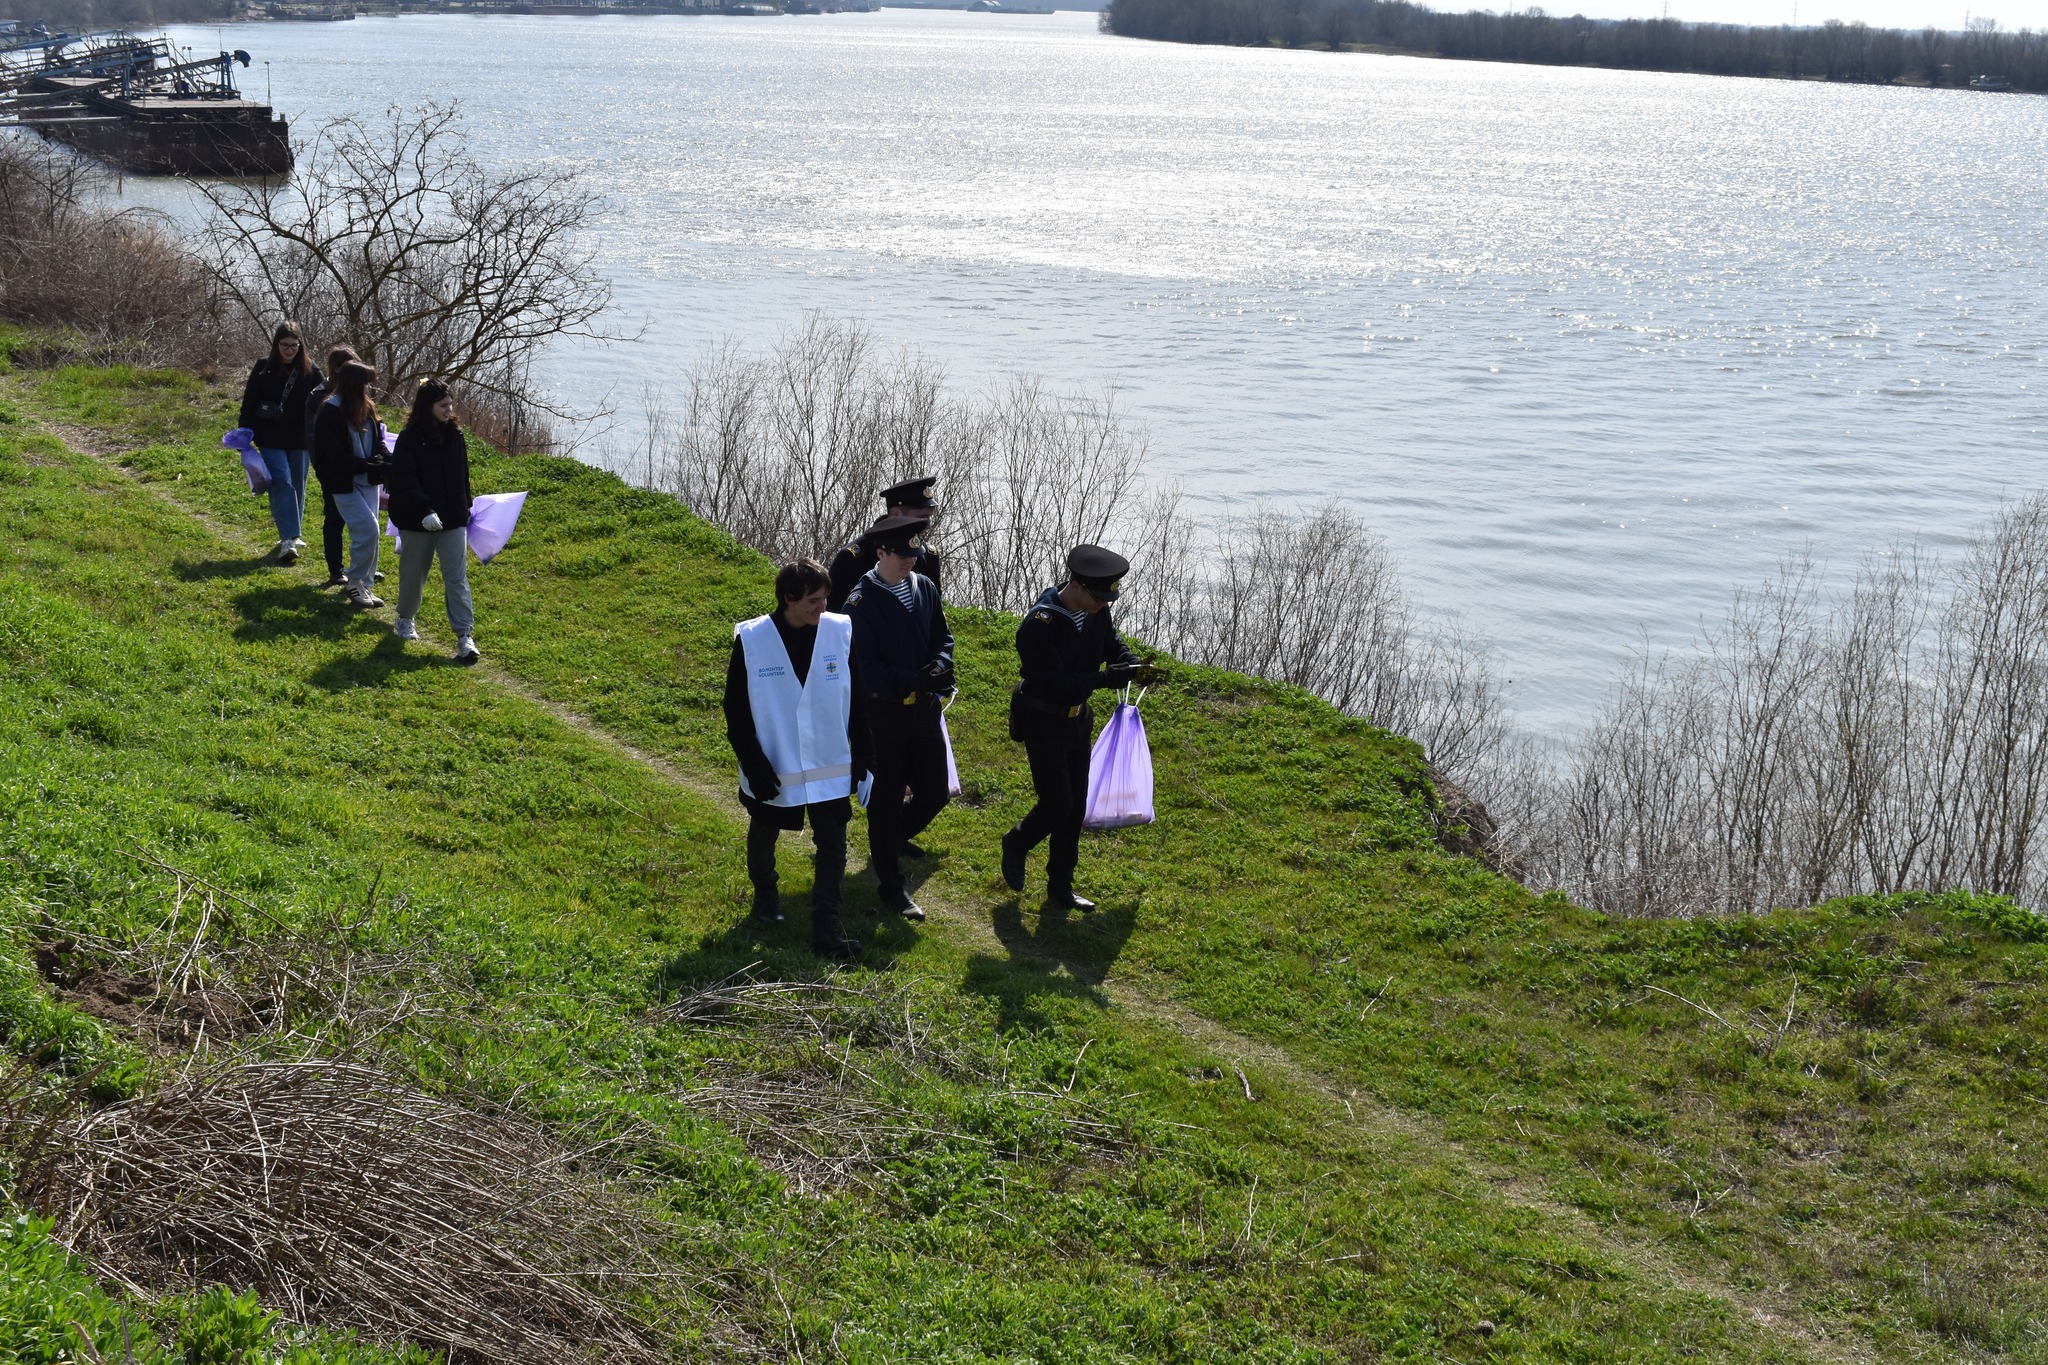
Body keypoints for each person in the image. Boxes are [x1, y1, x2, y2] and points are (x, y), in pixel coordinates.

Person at [1001, 545, 1166, 911]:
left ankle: (1061, 885)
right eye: (1098, 596)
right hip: (1043, 718)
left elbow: (1110, 643)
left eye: (1109, 597)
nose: (1104, 604)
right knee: (1057, 801)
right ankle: (1017, 842)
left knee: (1075, 808)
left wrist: (1130, 662)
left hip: (1078, 720)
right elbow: (1053, 684)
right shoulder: (1038, 626)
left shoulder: (1096, 612)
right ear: (1076, 585)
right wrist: (1107, 678)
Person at [724, 559, 866, 961]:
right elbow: (735, 710)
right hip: (774, 763)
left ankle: (827, 929)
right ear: (789, 599)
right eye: (814, 601)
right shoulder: (752, 639)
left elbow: (857, 702)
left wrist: (865, 757)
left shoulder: (839, 632)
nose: (824, 608)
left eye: (826, 599)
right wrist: (754, 764)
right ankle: (766, 899)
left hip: (829, 764)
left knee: (834, 843)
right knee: (764, 829)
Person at [842, 513, 953, 921]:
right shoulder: (860, 603)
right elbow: (867, 670)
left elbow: (943, 636)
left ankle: (885, 844)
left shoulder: (924, 586)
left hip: (922, 712)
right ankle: (893, 886)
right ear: (881, 552)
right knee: (885, 803)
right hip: (882, 717)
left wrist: (941, 664)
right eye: (902, 554)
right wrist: (915, 678)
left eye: (915, 552)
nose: (911, 560)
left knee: (935, 793)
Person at [388, 379, 481, 665]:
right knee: (414, 574)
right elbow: (404, 479)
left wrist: (466, 506)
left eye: (450, 405)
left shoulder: (456, 436)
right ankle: (405, 619)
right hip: (418, 520)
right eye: (443, 405)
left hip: (452, 520)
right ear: (427, 407)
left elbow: (461, 476)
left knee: (457, 579)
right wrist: (425, 510)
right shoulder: (409, 438)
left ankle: (465, 635)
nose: (449, 410)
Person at [238, 322, 322, 565]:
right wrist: (245, 431)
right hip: (270, 438)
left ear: (301, 346)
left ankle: (294, 533)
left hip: (300, 439)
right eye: (284, 345)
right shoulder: (263, 368)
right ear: (276, 345)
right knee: (281, 482)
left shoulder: (311, 371)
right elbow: (250, 401)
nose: (289, 350)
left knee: (298, 483)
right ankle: (288, 538)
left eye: (294, 346)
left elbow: (325, 400)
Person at [311, 361, 390, 610]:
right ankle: (354, 581)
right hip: (343, 482)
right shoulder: (330, 411)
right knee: (367, 529)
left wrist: (387, 461)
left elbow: (379, 441)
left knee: (372, 530)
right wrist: (369, 464)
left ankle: (364, 584)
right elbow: (335, 455)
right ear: (353, 383)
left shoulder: (368, 407)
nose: (368, 388)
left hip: (367, 480)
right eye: (365, 383)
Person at [303, 345, 378, 590]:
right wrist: (323, 470)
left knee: (368, 525)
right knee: (336, 520)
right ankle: (337, 569)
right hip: (335, 474)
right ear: (339, 369)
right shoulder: (321, 400)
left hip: (362, 475)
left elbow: (374, 434)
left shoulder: (362, 401)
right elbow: (318, 441)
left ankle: (363, 573)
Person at [827, 476, 943, 612]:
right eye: (922, 517)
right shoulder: (852, 558)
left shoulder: (928, 555)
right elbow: (834, 614)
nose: (927, 525)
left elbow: (934, 613)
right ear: (895, 513)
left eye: (929, 517)